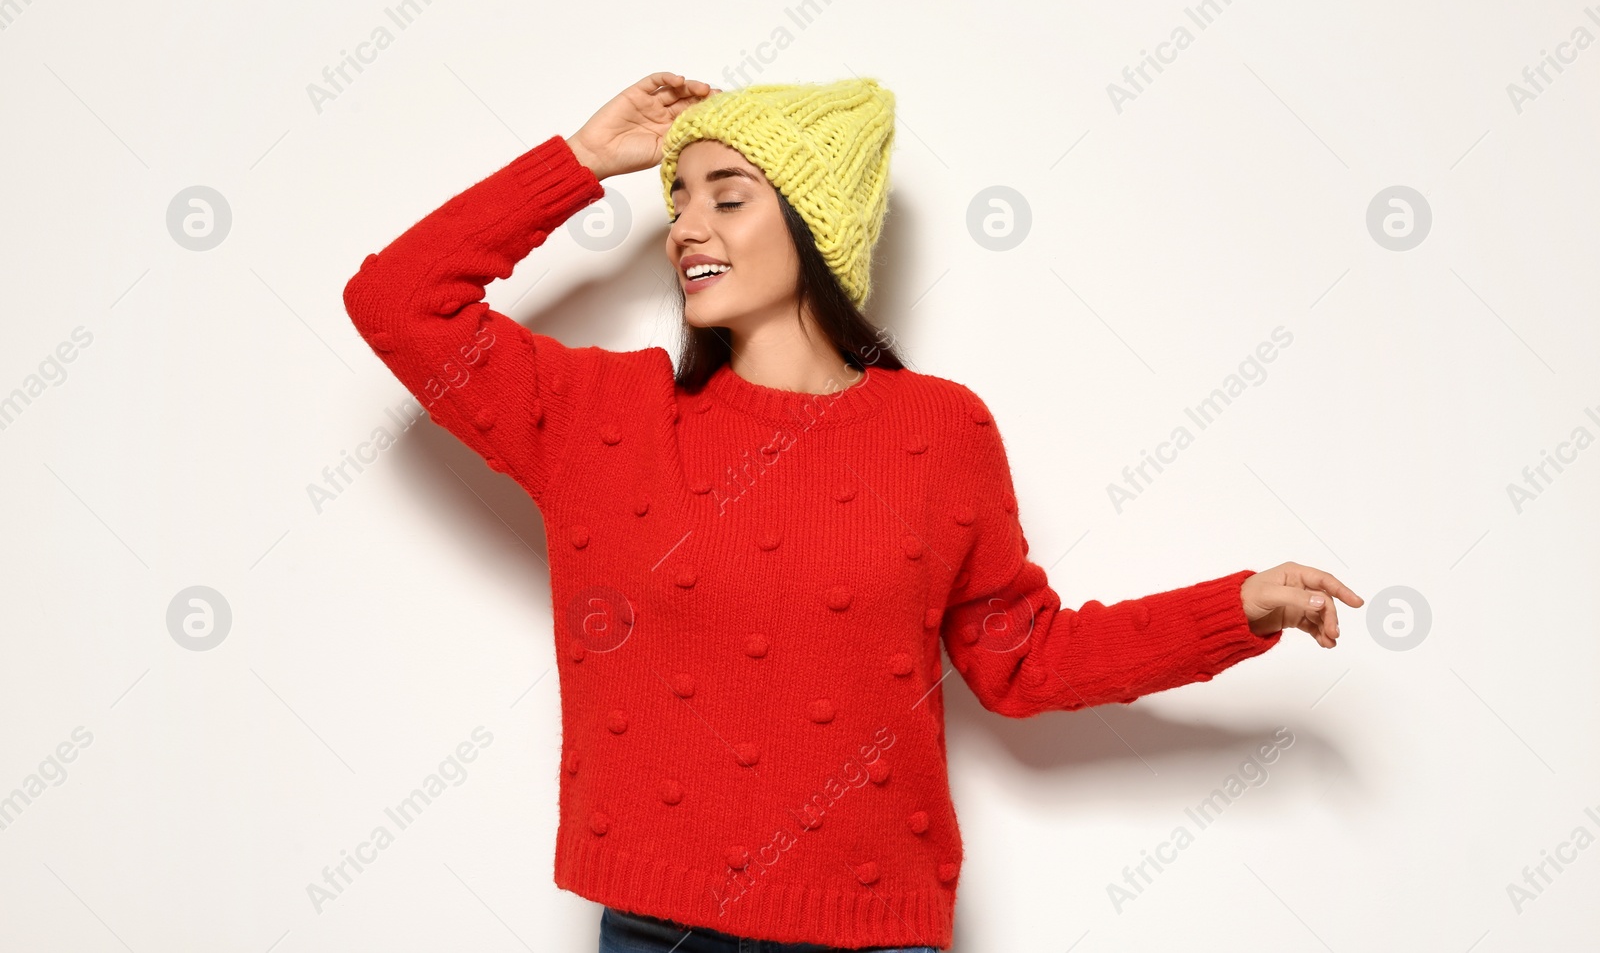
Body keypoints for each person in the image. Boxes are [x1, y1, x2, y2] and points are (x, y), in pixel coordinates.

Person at [341, 71, 1363, 952]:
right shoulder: (604, 418)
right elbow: (397, 301)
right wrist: (583, 155)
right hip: (658, 927)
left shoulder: (940, 430)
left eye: (727, 196)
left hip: (874, 930)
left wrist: (1236, 608)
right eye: (679, 200)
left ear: (812, 223)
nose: (686, 226)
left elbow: (1022, 657)